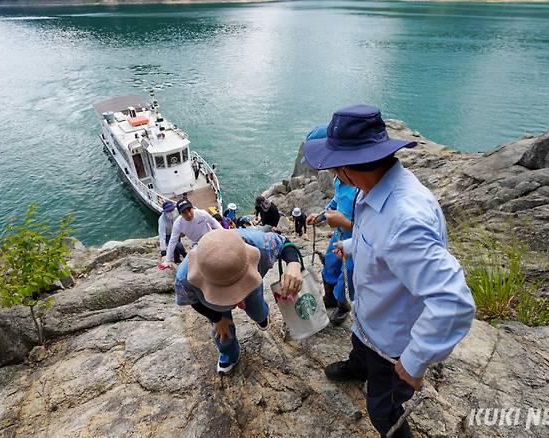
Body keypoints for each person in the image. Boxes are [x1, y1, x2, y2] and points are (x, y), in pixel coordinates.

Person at [303, 104, 476, 438]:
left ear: (347, 169)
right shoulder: (379, 189)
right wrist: (352, 246)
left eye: (334, 167)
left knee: (382, 410)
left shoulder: (404, 220)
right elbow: (379, 241)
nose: (333, 174)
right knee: (359, 348)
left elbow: (453, 301)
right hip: (370, 322)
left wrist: (413, 362)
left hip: (392, 342)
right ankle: (357, 367)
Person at [174, 228, 303, 374]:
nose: (237, 301)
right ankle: (229, 353)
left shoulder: (261, 244)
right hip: (215, 306)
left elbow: (285, 244)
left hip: (251, 287)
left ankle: (261, 316)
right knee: (223, 331)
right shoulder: (184, 278)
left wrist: (293, 264)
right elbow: (193, 301)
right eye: (227, 293)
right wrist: (217, 319)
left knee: (258, 310)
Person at [304, 124, 359, 324]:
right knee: (330, 266)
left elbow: (372, 227)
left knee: (346, 276)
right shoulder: (339, 179)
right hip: (338, 236)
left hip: (354, 242)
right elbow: (335, 201)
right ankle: (329, 296)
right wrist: (320, 215)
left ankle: (343, 304)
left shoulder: (359, 186)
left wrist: (345, 222)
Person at [163, 199, 223, 267]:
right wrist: (167, 260)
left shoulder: (202, 213)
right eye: (184, 212)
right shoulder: (178, 224)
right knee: (180, 276)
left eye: (189, 210)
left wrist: (224, 232)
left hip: (210, 238)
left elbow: (213, 222)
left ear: (193, 208)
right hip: (196, 245)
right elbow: (173, 241)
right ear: (180, 214)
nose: (188, 214)